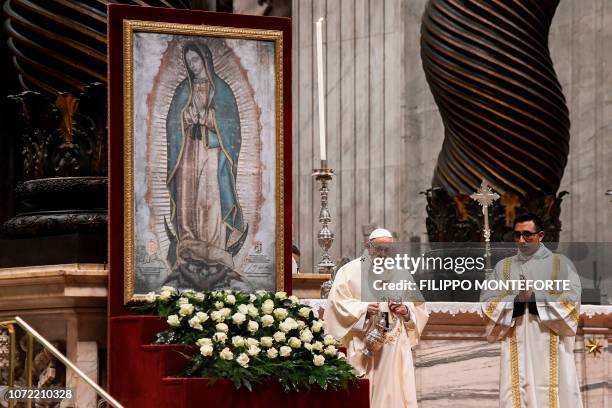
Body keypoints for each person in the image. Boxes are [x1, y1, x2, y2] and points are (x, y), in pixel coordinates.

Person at [163, 41, 248, 290]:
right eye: (189, 62)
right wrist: (187, 117)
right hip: (188, 151)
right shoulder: (183, 90)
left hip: (212, 152)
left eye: (196, 60)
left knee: (210, 196)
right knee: (189, 195)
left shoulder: (221, 91)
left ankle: (214, 246)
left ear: (206, 60)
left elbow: (232, 128)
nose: (193, 65)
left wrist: (210, 118)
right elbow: (173, 122)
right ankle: (189, 243)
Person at [481, 213, 582, 408]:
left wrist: (535, 298)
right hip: (515, 342)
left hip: (551, 341)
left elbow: (571, 300)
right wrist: (517, 300)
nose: (521, 240)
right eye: (517, 235)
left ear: (541, 235)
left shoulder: (561, 264)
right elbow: (488, 301)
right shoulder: (504, 267)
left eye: (527, 234)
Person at [324, 228, 429, 407]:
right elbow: (336, 303)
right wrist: (363, 309)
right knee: (368, 389)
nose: (382, 253)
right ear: (368, 246)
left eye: (387, 249)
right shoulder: (349, 271)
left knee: (394, 388)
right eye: (378, 248)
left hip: (394, 344)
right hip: (364, 340)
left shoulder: (401, 273)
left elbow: (419, 306)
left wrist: (406, 310)